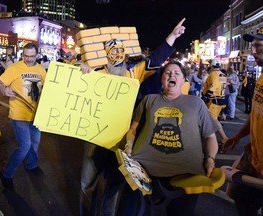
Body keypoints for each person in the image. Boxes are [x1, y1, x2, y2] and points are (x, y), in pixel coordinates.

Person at [79, 18, 187, 216]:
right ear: (105, 53)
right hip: (94, 134)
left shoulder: (134, 72)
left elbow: (155, 60)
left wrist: (172, 36)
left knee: (114, 181)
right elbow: (76, 85)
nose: (117, 53)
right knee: (88, 180)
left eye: (120, 49)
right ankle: (86, 212)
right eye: (112, 49)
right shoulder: (97, 71)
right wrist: (82, 69)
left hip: (120, 136)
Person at [123, 60, 219, 215]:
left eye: (176, 73)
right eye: (167, 73)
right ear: (162, 79)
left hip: (186, 177)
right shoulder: (149, 100)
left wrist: (210, 159)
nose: (171, 75)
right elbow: (133, 129)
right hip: (145, 174)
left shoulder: (196, 103)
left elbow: (210, 136)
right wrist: (129, 145)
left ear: (183, 80)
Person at [223, 26, 263, 216]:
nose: (253, 51)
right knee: (240, 201)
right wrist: (238, 135)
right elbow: (257, 113)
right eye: (252, 45)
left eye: (259, 46)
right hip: (254, 162)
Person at [0, 43, 46, 190]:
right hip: (19, 114)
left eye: (32, 56)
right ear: (22, 54)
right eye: (26, 56)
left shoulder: (41, 70)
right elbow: (0, 82)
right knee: (24, 146)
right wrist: (4, 90)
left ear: (37, 55)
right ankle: (7, 174)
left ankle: (31, 165)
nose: (29, 59)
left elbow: (46, 88)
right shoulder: (15, 68)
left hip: (36, 115)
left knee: (35, 143)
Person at [201, 58, 228, 145]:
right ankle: (221, 138)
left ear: (212, 66)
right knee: (213, 119)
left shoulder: (213, 74)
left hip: (214, 100)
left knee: (212, 120)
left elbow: (212, 87)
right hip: (221, 99)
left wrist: (205, 98)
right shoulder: (223, 74)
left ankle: (223, 138)